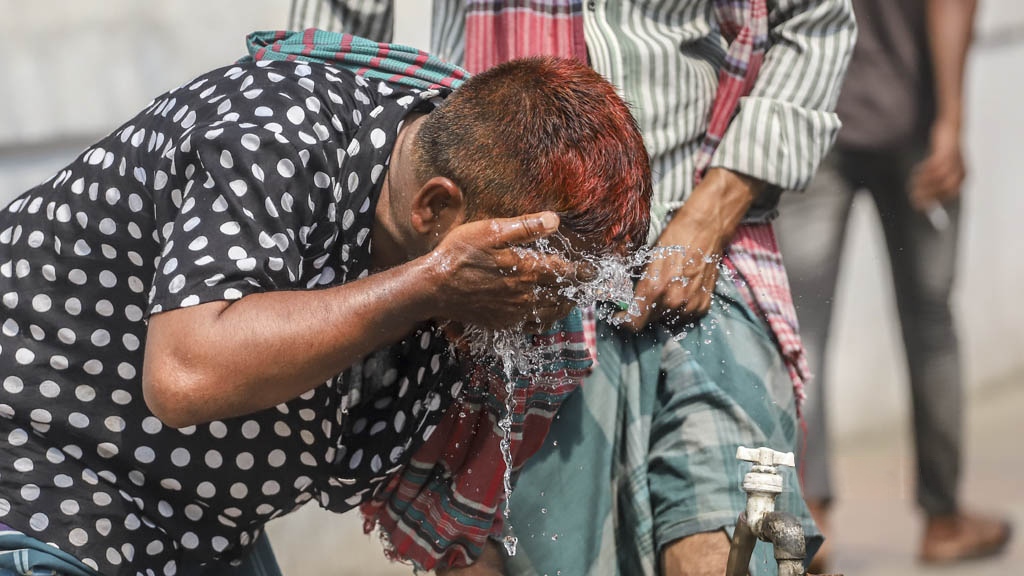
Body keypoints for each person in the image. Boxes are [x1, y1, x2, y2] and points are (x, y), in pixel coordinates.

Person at [0, 34, 654, 576]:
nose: (541, 313)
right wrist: (429, 283)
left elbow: (454, 524)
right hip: (45, 483)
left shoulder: (456, 261)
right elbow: (186, 373)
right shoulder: (274, 132)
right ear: (435, 207)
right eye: (535, 283)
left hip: (199, 531)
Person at [313, 1, 856, 574]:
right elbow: (342, 21)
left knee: (719, 553)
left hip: (702, 246)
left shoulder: (708, 225)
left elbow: (817, 18)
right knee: (510, 553)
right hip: (507, 280)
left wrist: (716, 209)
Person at [775, 0, 1012, 569]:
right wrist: (951, 123)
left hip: (815, 118)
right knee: (931, 327)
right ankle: (943, 519)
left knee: (803, 329)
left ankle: (811, 519)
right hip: (915, 123)